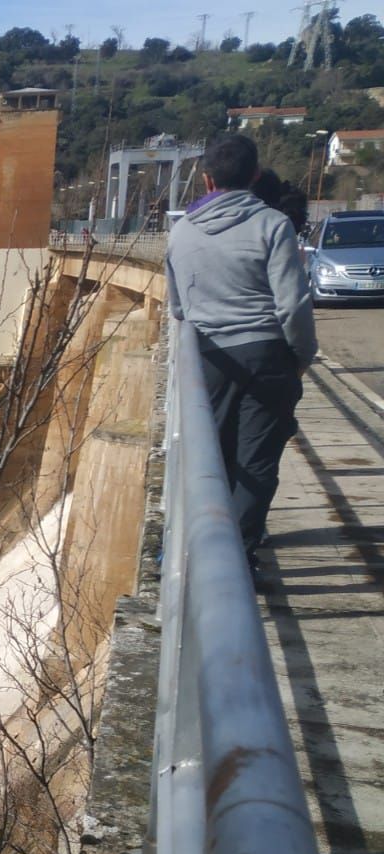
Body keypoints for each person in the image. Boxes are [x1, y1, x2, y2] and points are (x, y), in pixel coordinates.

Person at [165, 133, 317, 573]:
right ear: (255, 175)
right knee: (257, 463)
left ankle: (197, 553)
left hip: (209, 359)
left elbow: (178, 308)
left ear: (207, 180)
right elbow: (292, 304)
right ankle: (237, 559)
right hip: (268, 356)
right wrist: (300, 357)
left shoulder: (181, 233)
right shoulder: (273, 225)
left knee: (212, 459)